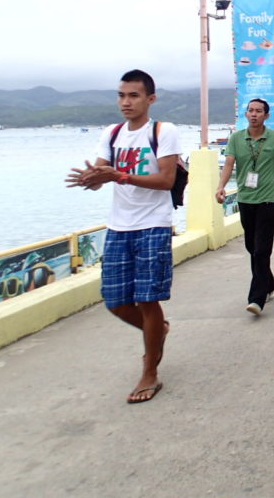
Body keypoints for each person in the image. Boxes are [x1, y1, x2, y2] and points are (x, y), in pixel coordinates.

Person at [65, 69, 180, 404]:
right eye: (121, 95)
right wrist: (91, 178)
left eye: (133, 95)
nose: (125, 102)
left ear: (150, 99)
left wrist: (122, 176)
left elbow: (166, 181)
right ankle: (157, 331)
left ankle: (150, 371)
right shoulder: (111, 134)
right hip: (118, 226)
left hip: (153, 224)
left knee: (147, 299)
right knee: (114, 301)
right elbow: (102, 175)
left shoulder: (163, 131)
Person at [215, 99, 274, 316]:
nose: (254, 114)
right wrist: (220, 187)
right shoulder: (237, 139)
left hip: (267, 199)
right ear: (246, 114)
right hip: (245, 199)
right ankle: (268, 283)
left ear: (266, 116)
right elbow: (229, 164)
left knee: (261, 249)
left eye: (259, 111)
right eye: (251, 111)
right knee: (252, 247)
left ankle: (256, 299)